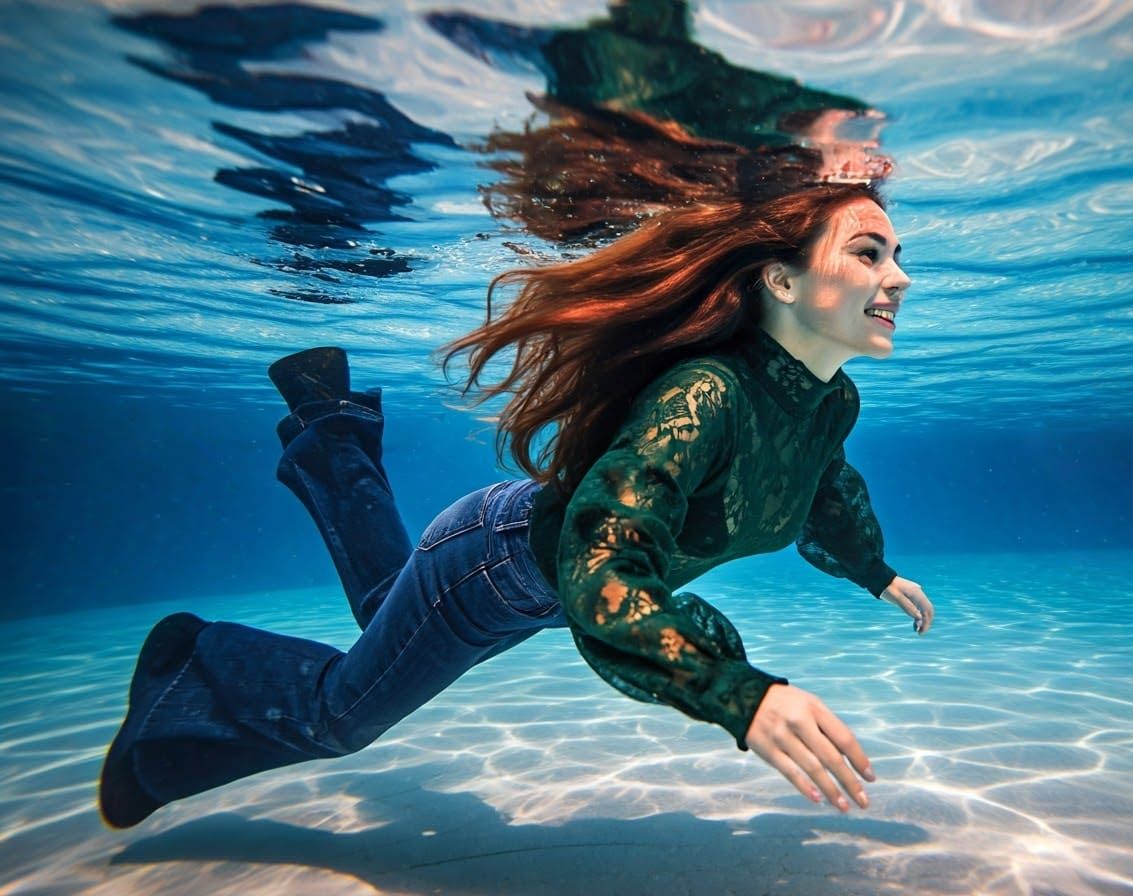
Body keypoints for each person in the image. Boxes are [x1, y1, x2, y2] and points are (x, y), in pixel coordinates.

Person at [98, 178, 933, 830]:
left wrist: (874, 571)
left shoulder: (829, 402)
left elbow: (824, 482)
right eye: (868, 252)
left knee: (388, 606)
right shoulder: (707, 396)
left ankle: (331, 426)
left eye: (896, 253)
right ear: (779, 279)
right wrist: (738, 693)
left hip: (532, 575)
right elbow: (602, 562)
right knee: (343, 714)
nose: (899, 275)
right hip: (496, 564)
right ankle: (182, 684)